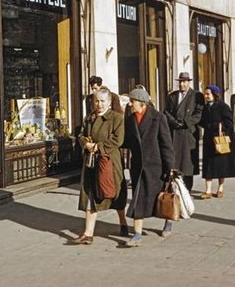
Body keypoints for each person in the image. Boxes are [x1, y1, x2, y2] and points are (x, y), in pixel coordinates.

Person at [123, 88, 175, 246]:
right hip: (138, 167)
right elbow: (126, 141)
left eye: (132, 101)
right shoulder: (130, 119)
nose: (130, 104)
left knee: (162, 196)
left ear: (142, 103)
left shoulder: (158, 118)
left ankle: (168, 222)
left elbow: (166, 144)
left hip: (156, 166)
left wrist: (170, 167)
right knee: (138, 198)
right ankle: (137, 234)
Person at [74, 87, 126, 245]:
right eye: (96, 101)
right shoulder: (88, 118)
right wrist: (86, 144)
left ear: (109, 102)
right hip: (91, 162)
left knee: (115, 195)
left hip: (109, 162)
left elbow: (119, 139)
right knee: (90, 194)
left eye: (103, 101)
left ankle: (123, 222)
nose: (99, 104)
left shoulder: (117, 118)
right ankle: (88, 233)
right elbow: (81, 135)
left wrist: (99, 146)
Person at [163, 72, 204, 192]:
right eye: (180, 81)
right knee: (174, 161)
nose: (181, 84)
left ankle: (187, 189)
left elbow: (198, 113)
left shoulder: (197, 95)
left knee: (187, 164)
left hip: (188, 133)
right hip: (175, 132)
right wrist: (173, 122)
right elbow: (166, 111)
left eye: (184, 81)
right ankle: (175, 187)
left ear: (188, 82)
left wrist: (186, 122)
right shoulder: (172, 96)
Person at [198, 85, 235, 198]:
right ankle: (207, 191)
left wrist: (215, 126)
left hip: (220, 140)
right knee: (208, 166)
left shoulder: (223, 107)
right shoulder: (205, 107)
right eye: (205, 94)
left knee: (221, 165)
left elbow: (229, 123)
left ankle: (220, 188)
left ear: (215, 95)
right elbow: (202, 121)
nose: (206, 96)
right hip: (208, 140)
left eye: (208, 94)